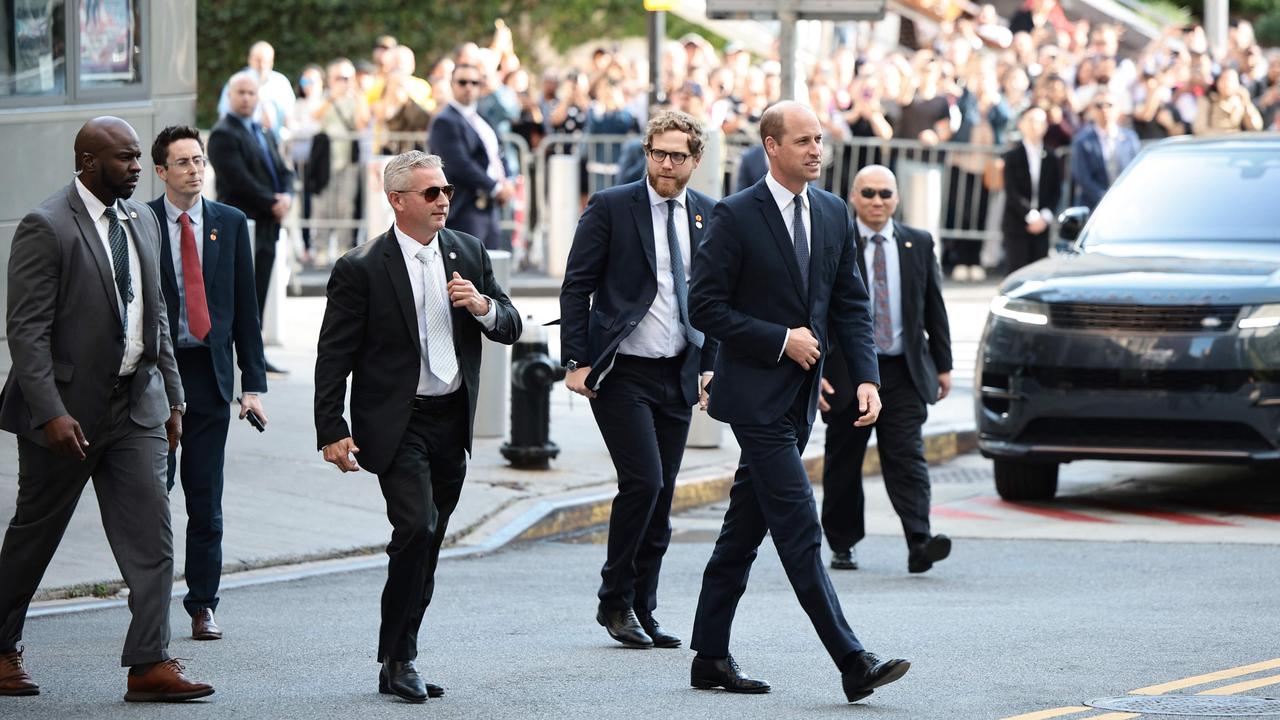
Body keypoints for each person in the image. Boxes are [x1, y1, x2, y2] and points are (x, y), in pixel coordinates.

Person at [687, 102, 909, 703]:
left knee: (742, 531)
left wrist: (865, 375)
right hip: (754, 397)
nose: (817, 150)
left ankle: (708, 656)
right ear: (771, 147)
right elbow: (703, 308)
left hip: (801, 400)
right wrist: (780, 339)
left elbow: (849, 304)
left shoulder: (834, 212)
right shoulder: (734, 216)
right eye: (804, 140)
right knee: (799, 526)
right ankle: (851, 659)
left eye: (820, 140)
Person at [0, 117, 213, 702]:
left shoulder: (140, 218)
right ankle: (0, 647)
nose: (138, 168)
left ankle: (149, 663)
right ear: (89, 162)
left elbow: (159, 315)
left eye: (140, 157)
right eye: (125, 159)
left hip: (136, 406)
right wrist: (49, 412)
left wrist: (173, 396)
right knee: (34, 537)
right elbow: (27, 332)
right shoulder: (46, 226)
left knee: (153, 540)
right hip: (65, 417)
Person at [313, 151, 520, 703]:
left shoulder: (468, 252)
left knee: (429, 543)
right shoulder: (360, 267)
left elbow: (510, 323)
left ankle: (399, 651)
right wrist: (331, 427)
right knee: (416, 528)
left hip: (452, 420)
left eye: (446, 190)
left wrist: (480, 305)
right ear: (397, 200)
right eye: (431, 193)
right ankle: (400, 657)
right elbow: (333, 355)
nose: (443, 200)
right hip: (396, 423)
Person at [560, 111, 719, 650]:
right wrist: (575, 361)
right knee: (644, 482)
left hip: (676, 372)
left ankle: (644, 606)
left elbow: (714, 300)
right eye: (658, 152)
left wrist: (709, 365)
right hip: (621, 371)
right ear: (646, 152)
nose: (666, 164)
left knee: (664, 497)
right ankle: (615, 602)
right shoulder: (611, 206)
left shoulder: (706, 214)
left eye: (677, 156)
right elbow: (576, 285)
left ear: (696, 160)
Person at [147, 125, 268, 641]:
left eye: (199, 161)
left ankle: (202, 604)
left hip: (209, 377)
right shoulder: (140, 223)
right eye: (183, 162)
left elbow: (246, 310)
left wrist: (253, 385)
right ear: (161, 172)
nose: (195, 170)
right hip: (154, 379)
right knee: (151, 496)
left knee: (205, 496)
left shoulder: (230, 223)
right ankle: (147, 602)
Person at [819, 165, 954, 575]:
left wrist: (944, 366)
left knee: (907, 454)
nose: (877, 201)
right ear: (853, 198)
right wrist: (819, 367)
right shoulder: (836, 241)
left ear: (897, 198)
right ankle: (842, 543)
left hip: (902, 371)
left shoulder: (918, 242)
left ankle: (919, 540)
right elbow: (819, 309)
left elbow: (934, 306)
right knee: (844, 459)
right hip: (847, 371)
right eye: (868, 193)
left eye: (885, 193)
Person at [207, 71, 295, 375]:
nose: (246, 98)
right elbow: (237, 180)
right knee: (240, 296)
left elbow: (284, 170)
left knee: (259, 293)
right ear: (229, 97)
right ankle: (236, 363)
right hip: (243, 224)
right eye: (240, 92)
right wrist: (272, 200)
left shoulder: (263, 131)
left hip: (269, 224)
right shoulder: (223, 134)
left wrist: (287, 196)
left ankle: (254, 359)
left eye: (251, 93)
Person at [427, 63, 515, 250]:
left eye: (474, 82)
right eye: (462, 82)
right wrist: (496, 187)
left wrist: (508, 180)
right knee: (466, 271)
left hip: (489, 206)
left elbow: (498, 153)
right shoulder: (444, 121)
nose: (469, 87)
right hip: (464, 206)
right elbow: (458, 164)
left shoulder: (482, 117)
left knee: (490, 270)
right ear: (452, 84)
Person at [1001, 106, 1063, 273]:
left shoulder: (1052, 157)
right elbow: (1012, 191)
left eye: (1040, 122)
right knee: (1016, 272)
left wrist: (1045, 216)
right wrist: (1030, 215)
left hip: (1043, 226)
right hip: (1017, 223)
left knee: (1038, 273)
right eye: (1031, 121)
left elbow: (1056, 191)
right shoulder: (1012, 156)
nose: (1035, 126)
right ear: (1021, 124)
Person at [1069, 90, 1140, 210]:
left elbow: (1137, 173)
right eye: (1099, 105)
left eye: (1109, 105)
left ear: (1118, 108)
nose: (1104, 109)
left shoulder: (1130, 138)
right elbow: (1083, 178)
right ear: (1091, 110)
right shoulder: (1082, 141)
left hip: (1127, 205)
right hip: (1095, 208)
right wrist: (1106, 199)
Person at [216, 41, 297, 135]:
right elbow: (224, 113)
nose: (262, 65)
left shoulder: (281, 82)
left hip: (276, 141)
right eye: (258, 60)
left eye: (266, 61)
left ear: (272, 61)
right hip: (243, 138)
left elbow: (290, 115)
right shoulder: (238, 81)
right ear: (250, 59)